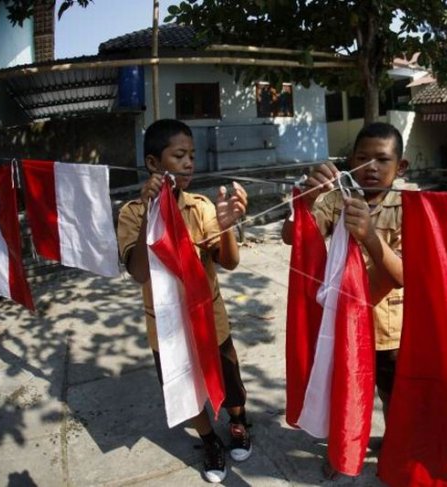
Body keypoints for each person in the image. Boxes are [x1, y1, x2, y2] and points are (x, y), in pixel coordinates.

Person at [117, 119, 250, 484]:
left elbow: (229, 261)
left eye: (191, 155)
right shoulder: (131, 213)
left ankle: (237, 422)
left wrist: (226, 226)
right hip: (167, 329)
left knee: (230, 382)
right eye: (179, 155)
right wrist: (150, 214)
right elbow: (140, 272)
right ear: (153, 165)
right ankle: (209, 440)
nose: (190, 162)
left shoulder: (201, 207)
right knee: (184, 388)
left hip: (210, 319)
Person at [281, 121, 407, 475]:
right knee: (343, 392)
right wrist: (303, 204)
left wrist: (369, 236)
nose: (371, 168)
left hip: (388, 329)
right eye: (362, 158)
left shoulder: (408, 206)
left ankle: (393, 448)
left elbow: (402, 275)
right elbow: (293, 237)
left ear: (402, 167)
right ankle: (341, 449)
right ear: (349, 161)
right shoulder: (336, 199)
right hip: (341, 325)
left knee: (392, 397)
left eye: (382, 160)